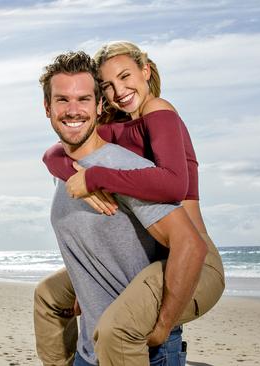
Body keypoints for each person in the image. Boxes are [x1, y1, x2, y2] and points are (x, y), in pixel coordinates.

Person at [36, 42, 225, 365]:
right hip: (154, 253)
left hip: (195, 256)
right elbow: (58, 150)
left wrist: (96, 179)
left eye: (125, 77)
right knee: (48, 296)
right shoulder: (114, 131)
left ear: (146, 70)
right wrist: (75, 175)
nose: (118, 90)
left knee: (120, 329)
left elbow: (173, 185)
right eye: (108, 85)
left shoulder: (158, 112)